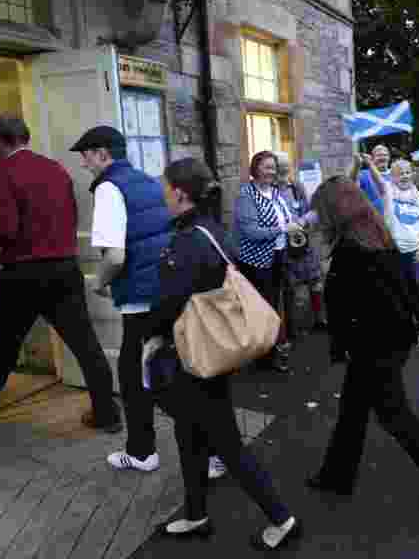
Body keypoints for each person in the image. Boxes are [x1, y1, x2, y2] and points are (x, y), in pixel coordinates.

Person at [147, 158, 301, 550]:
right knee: (189, 432)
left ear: (180, 193)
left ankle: (281, 518)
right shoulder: (212, 228)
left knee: (225, 442)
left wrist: (149, 338)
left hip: (195, 352)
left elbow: (169, 301)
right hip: (212, 347)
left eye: (166, 188)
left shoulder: (188, 239)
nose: (163, 194)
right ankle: (195, 512)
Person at [304, 175, 419, 512]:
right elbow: (406, 290)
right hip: (385, 343)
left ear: (335, 211)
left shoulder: (356, 249)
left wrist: (354, 341)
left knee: (395, 416)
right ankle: (335, 474)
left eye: (321, 212)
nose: (318, 220)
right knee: (352, 410)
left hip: (376, 348)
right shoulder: (375, 236)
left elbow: (370, 306)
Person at [0, 115, 121, 433]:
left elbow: (6, 230)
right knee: (87, 347)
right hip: (64, 270)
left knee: (0, 352)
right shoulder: (56, 169)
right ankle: (107, 414)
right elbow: (68, 217)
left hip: (23, 276)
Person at [70, 126, 186, 475]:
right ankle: (210, 448)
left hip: (138, 298)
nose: (84, 164)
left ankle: (143, 453)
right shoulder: (148, 181)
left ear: (103, 154)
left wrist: (99, 283)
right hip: (162, 291)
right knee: (162, 374)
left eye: (86, 156)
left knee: (138, 380)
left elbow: (116, 257)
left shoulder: (108, 188)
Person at [234, 151, 302, 372]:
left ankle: (270, 351)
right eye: (266, 167)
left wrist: (297, 224)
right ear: (255, 169)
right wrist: (283, 228)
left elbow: (289, 218)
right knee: (260, 308)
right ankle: (262, 356)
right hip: (255, 261)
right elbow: (251, 231)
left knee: (273, 305)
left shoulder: (275, 193)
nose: (271, 171)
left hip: (277, 255)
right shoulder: (247, 195)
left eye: (273, 167)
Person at [275, 152, 327, 335]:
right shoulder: (270, 191)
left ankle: (319, 319)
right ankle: (292, 327)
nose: (283, 169)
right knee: (290, 286)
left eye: (285, 165)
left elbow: (312, 211)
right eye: (279, 165)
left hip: (303, 242)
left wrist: (303, 222)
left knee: (315, 281)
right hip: (284, 245)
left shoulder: (297, 187)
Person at [382, 159, 419, 286]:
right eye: (400, 173)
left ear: (412, 174)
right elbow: (378, 179)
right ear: (392, 177)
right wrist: (369, 164)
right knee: (395, 289)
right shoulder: (388, 193)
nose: (405, 176)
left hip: (415, 252)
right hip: (394, 251)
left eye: (407, 172)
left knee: (414, 288)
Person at [356, 144, 392, 214]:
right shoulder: (364, 174)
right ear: (372, 158)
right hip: (373, 217)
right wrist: (356, 165)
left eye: (385, 155)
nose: (382, 157)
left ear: (389, 157)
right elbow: (352, 184)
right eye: (378, 155)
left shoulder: (396, 174)